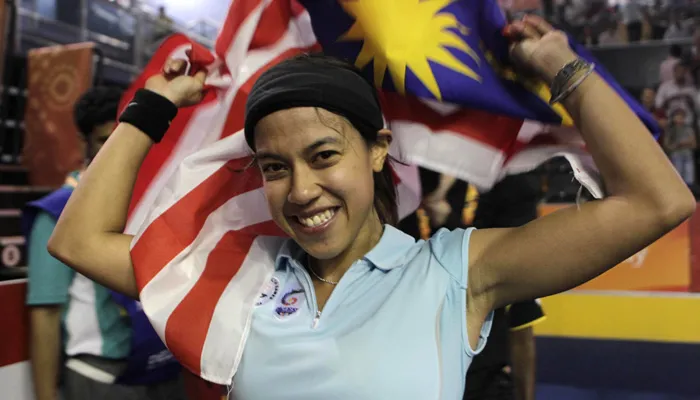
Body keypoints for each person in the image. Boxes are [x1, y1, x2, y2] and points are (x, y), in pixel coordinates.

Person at [46, 15, 695, 398]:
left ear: (378, 150)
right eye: (275, 167)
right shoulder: (239, 271)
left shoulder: (455, 271)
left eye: (324, 155)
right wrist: (150, 108)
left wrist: (565, 69)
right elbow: (76, 242)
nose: (301, 190)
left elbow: (657, 201)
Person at [24, 87, 184, 400]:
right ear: (83, 141)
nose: (118, 149)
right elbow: (45, 314)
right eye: (105, 140)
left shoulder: (155, 200)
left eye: (132, 137)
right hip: (102, 377)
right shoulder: (57, 212)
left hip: (164, 368)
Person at [664, 107, 696, 186]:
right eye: (677, 117)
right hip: (676, 155)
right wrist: (676, 145)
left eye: (681, 117)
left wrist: (686, 143)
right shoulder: (671, 130)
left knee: (689, 178)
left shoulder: (688, 129)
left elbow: (694, 144)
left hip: (687, 155)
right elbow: (666, 145)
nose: (679, 119)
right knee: (678, 178)